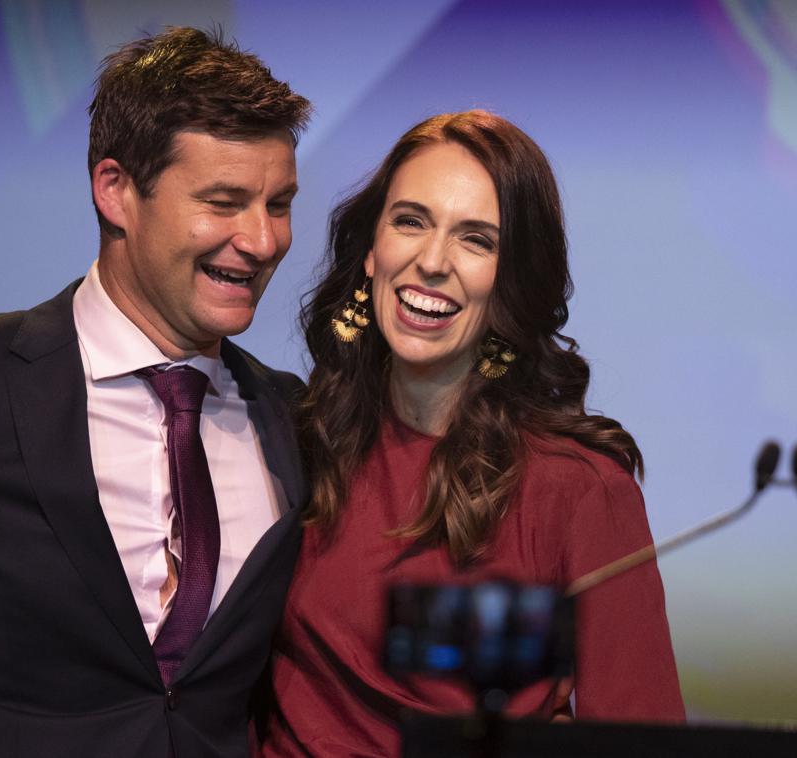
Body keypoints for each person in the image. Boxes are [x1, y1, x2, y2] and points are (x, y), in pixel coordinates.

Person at [0, 27, 311, 757]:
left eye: (279, 203)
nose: (262, 241)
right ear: (116, 191)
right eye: (224, 201)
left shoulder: (294, 421)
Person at [255, 111, 684, 756]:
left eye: (476, 240)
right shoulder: (292, 439)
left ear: (511, 280)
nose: (431, 261)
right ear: (371, 251)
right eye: (410, 221)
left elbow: (643, 737)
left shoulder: (580, 490)